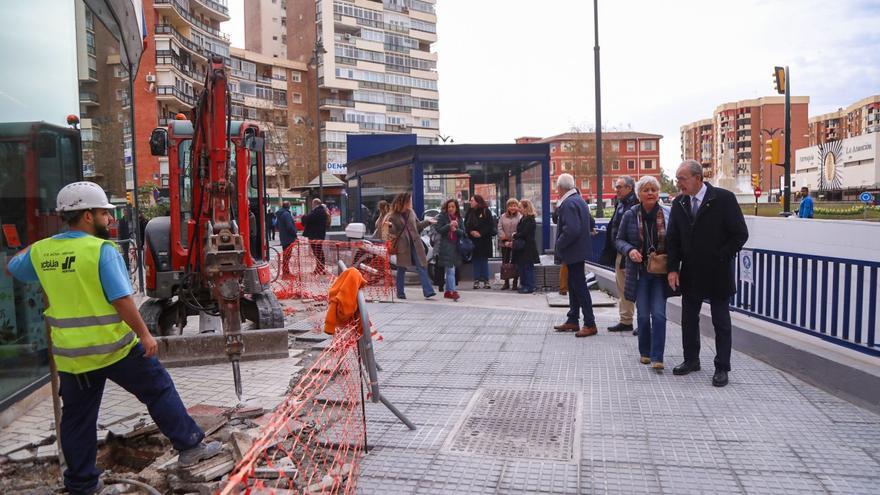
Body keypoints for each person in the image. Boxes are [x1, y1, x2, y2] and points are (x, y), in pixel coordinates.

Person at [6, 182, 220, 495]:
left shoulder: (43, 251)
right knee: (158, 389)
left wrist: (42, 244)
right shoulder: (101, 250)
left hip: (72, 356)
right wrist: (145, 334)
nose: (109, 218)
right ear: (88, 215)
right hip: (116, 349)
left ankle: (81, 484)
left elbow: (14, 267)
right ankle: (190, 447)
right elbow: (122, 299)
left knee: (77, 420)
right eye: (104, 213)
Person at [667, 160, 749, 387]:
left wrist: (721, 256)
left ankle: (722, 367)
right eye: (677, 179)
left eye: (682, 179)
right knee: (688, 319)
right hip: (691, 272)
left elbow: (740, 234)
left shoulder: (723, 199)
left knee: (720, 321)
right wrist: (673, 268)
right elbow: (672, 239)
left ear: (697, 178)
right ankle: (691, 360)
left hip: (717, 272)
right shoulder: (680, 204)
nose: (678, 183)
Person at [615, 176, 672, 370]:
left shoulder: (666, 214)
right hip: (638, 272)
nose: (650, 193)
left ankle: (658, 357)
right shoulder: (631, 214)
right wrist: (629, 250)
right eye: (646, 190)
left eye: (653, 190)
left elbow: (676, 241)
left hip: (660, 273)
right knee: (642, 316)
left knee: (658, 314)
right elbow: (619, 239)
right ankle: (645, 353)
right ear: (639, 194)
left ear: (658, 193)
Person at [551, 174, 597, 338]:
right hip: (579, 250)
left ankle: (590, 323)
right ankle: (573, 319)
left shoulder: (569, 203)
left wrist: (559, 244)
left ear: (560, 188)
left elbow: (572, 229)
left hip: (573, 251)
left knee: (579, 286)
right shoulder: (578, 200)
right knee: (574, 284)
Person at [600, 176, 639, 335]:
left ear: (629, 188)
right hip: (620, 252)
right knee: (622, 288)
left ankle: (643, 322)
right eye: (616, 187)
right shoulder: (620, 204)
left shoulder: (636, 204)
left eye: (619, 187)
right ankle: (626, 321)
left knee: (638, 288)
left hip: (633, 253)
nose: (616, 190)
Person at [386, 192, 437, 300]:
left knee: (422, 266)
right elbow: (393, 232)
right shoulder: (393, 216)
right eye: (410, 200)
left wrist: (428, 222)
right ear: (404, 202)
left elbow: (417, 226)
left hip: (416, 244)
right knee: (402, 268)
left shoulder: (411, 212)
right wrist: (390, 226)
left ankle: (428, 291)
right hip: (403, 245)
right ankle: (400, 292)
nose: (411, 203)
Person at [434, 198, 465, 301]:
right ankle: (452, 291)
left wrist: (456, 230)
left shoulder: (459, 219)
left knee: (451, 270)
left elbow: (463, 233)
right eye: (449, 207)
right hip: (446, 247)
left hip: (456, 247)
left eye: (453, 207)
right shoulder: (442, 217)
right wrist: (449, 226)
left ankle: (448, 291)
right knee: (450, 270)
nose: (451, 209)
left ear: (456, 208)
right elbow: (439, 229)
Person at [465, 194, 495, 289]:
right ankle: (476, 280)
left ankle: (486, 280)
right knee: (476, 260)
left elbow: (490, 226)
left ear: (478, 202)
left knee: (484, 260)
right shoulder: (470, 212)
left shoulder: (486, 211)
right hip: (473, 240)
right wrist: (471, 231)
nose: (471, 202)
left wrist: (481, 233)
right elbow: (466, 224)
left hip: (484, 240)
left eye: (472, 200)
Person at [512, 199, 539, 294]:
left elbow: (524, 233)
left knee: (527, 267)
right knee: (522, 267)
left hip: (528, 248)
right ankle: (523, 284)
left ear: (526, 208)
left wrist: (515, 235)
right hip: (522, 248)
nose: (518, 209)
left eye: (520, 207)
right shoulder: (523, 218)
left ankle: (530, 286)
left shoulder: (530, 219)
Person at [497, 198, 522, 291]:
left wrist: (513, 242)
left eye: (514, 205)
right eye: (510, 206)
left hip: (515, 243)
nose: (512, 207)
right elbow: (499, 228)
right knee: (505, 263)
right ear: (507, 207)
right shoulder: (503, 216)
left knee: (515, 263)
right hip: (505, 244)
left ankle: (515, 283)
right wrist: (505, 240)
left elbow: (521, 229)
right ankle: (506, 282)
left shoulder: (520, 216)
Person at [302, 198, 329, 274]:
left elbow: (308, 219)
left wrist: (304, 216)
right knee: (318, 252)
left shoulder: (318, 211)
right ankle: (320, 268)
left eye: (312, 204)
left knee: (318, 253)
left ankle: (320, 269)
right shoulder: (320, 211)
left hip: (316, 236)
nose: (311, 205)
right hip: (318, 235)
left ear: (315, 204)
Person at [276, 201, 297, 277]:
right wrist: (295, 233)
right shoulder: (287, 214)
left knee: (285, 256)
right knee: (287, 256)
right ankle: (286, 273)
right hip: (288, 238)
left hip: (283, 238)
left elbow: (277, 226)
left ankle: (285, 272)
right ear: (288, 206)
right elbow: (289, 227)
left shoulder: (279, 214)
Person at [117, 208, 133, 274]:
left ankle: (127, 264)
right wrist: (120, 239)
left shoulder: (129, 220)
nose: (125, 213)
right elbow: (119, 230)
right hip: (123, 239)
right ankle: (126, 265)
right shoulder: (121, 221)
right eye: (125, 212)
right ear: (123, 213)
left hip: (128, 238)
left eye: (126, 212)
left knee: (126, 252)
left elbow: (131, 229)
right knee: (125, 252)